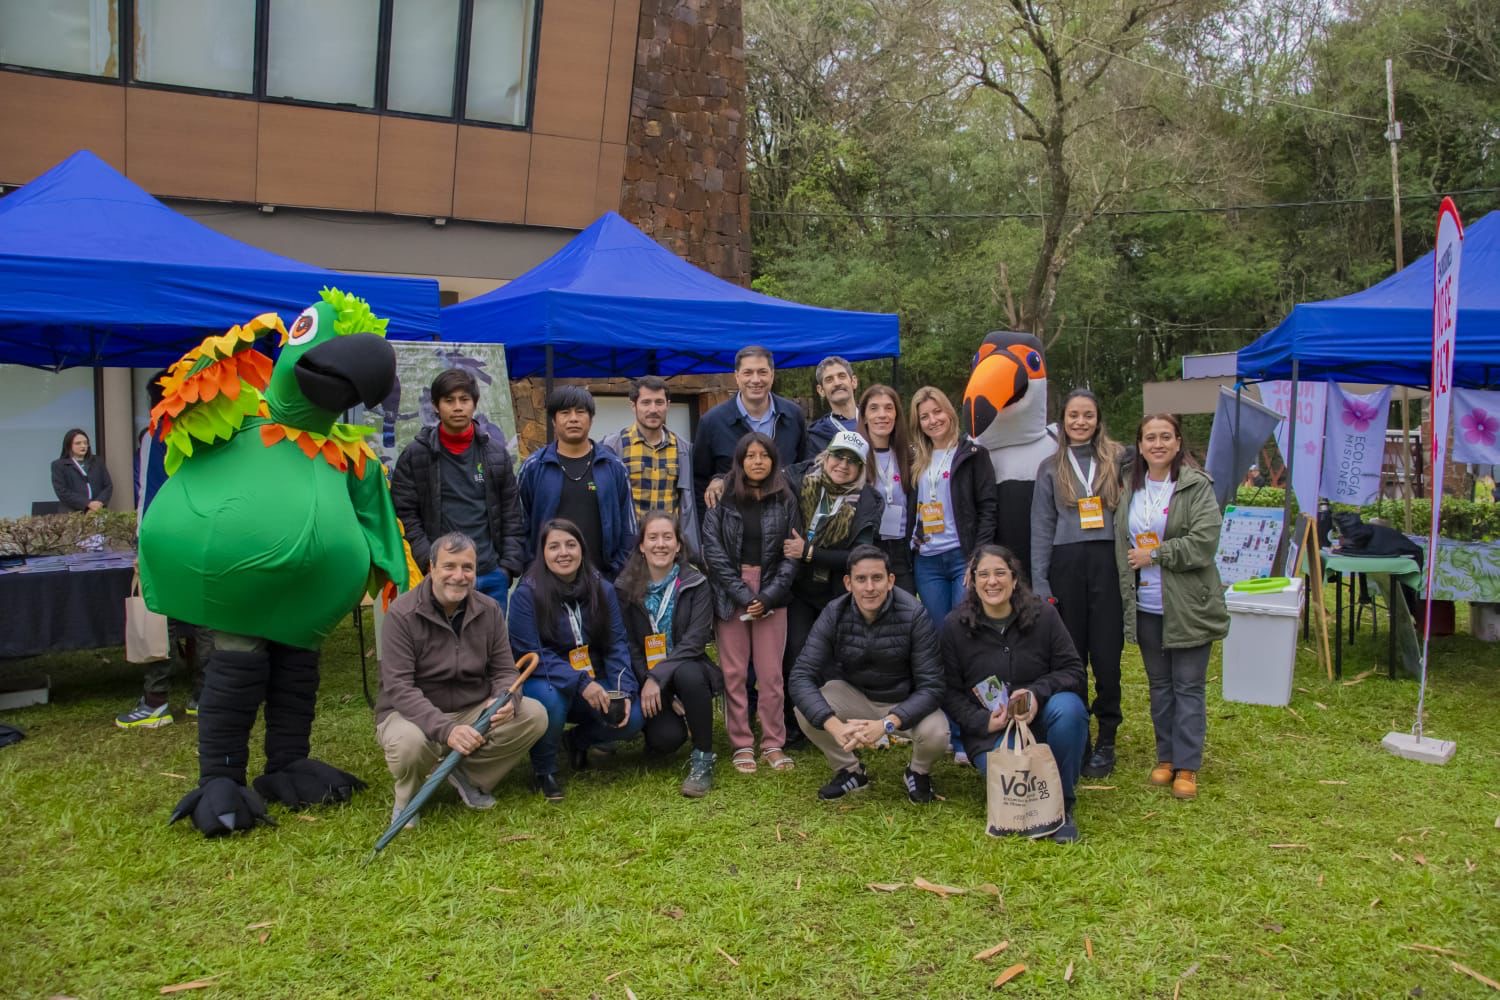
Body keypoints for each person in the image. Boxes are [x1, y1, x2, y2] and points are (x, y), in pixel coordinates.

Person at [375, 533, 548, 825]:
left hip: (470, 706)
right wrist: (446, 730)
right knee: (409, 744)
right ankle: (408, 800)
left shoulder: (489, 609)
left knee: (534, 715)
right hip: (411, 713)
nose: (459, 576)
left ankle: (465, 775)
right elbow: (399, 688)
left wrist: (507, 696)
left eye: (467, 567)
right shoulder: (402, 614)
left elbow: (505, 670)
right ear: (431, 567)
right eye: (449, 566)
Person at [940, 544, 1090, 843]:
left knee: (1070, 709)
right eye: (983, 574)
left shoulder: (1044, 615)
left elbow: (1073, 670)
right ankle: (1035, 802)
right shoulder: (954, 627)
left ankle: (1063, 808)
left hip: (1043, 718)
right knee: (1015, 779)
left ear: (1014, 578)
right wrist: (983, 721)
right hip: (992, 733)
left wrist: (1036, 693)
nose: (992, 582)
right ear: (971, 580)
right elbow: (947, 691)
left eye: (999, 573)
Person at [1116, 413, 1229, 801]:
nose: (1158, 444)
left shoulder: (1197, 486)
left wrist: (1156, 554)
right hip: (1147, 605)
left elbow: (1203, 543)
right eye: (1150, 437)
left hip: (1189, 605)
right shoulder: (1129, 487)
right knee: (1160, 687)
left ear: (1179, 443)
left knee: (1189, 686)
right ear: (1140, 445)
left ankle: (1188, 765)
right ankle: (1166, 757)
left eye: (1166, 436)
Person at [789, 545, 948, 803]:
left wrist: (886, 725)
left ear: (890, 581)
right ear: (848, 583)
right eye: (861, 579)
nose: (869, 587)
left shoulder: (914, 614)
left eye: (877, 578)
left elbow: (933, 686)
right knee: (805, 709)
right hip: (855, 695)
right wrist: (835, 726)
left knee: (937, 732)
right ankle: (850, 771)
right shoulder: (834, 612)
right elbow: (800, 676)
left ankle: (918, 773)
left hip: (902, 700)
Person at [507, 519, 642, 801]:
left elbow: (616, 644)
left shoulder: (601, 589)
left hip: (592, 681)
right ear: (542, 552)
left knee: (633, 717)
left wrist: (624, 691)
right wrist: (580, 681)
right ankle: (545, 770)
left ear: (582, 549)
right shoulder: (526, 595)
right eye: (554, 546)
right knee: (551, 699)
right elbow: (530, 655)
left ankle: (576, 742)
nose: (563, 553)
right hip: (547, 682)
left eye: (571, 544)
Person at [1030, 388, 1127, 777]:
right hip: (1065, 566)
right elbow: (1041, 527)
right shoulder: (1050, 467)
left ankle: (1107, 737)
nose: (1080, 422)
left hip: (1107, 562)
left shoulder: (1119, 460)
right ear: (1062, 420)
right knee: (1072, 656)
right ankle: (1078, 736)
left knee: (1106, 656)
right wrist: (1040, 582)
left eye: (1088, 415)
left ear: (1098, 419)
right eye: (1073, 415)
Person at [700, 431, 801, 774]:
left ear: (773, 461)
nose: (757, 461)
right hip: (730, 592)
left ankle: (773, 742)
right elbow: (712, 553)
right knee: (734, 672)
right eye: (750, 455)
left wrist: (769, 596)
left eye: (764, 455)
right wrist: (744, 595)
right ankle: (741, 743)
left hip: (774, 589)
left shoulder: (786, 498)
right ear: (740, 461)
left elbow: (793, 553)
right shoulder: (722, 500)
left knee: (771, 675)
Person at [117, 375, 211, 730]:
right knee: (205, 618)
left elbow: (148, 494)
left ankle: (156, 700)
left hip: (163, 536)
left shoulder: (155, 435)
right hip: (201, 535)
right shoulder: (206, 432)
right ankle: (204, 697)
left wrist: (141, 544)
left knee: (161, 615)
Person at [391, 368, 526, 610]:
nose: (457, 407)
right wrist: (428, 564)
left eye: (464, 400)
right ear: (435, 405)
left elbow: (511, 513)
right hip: (441, 576)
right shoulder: (416, 455)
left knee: (488, 647)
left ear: (474, 404)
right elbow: (405, 516)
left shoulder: (495, 454)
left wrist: (506, 569)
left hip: (490, 574)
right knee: (441, 647)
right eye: (449, 400)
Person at [782, 430, 884, 740]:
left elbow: (858, 557)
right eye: (838, 456)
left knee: (836, 659)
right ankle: (795, 725)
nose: (843, 465)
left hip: (836, 590)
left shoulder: (868, 499)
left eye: (853, 461)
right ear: (826, 456)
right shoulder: (797, 479)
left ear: (861, 467)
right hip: (797, 587)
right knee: (796, 653)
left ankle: (839, 723)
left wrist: (810, 553)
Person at [615, 511, 721, 797]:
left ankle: (703, 759)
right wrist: (658, 688)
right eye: (652, 537)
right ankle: (659, 728)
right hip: (646, 675)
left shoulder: (695, 583)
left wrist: (658, 677)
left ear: (678, 545)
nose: (660, 544)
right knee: (666, 740)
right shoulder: (624, 588)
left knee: (689, 672)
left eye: (667, 537)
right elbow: (629, 646)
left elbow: (695, 641)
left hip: (686, 668)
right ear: (641, 545)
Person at [516, 387, 636, 578]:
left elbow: (628, 527)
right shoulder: (534, 467)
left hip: (603, 579)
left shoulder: (613, 466)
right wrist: (532, 569)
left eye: (580, 412)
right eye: (565, 413)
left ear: (591, 419)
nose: (573, 418)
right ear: (554, 420)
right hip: (546, 580)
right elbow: (520, 524)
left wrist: (618, 571)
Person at [909, 387, 996, 626]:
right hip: (927, 561)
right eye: (924, 417)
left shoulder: (973, 453)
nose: (932, 420)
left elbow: (988, 509)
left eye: (937, 412)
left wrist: (978, 557)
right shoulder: (915, 459)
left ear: (949, 412)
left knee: (965, 627)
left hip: (963, 556)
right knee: (938, 631)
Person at [599, 376, 701, 558]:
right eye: (646, 402)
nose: (653, 409)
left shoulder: (684, 449)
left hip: (669, 549)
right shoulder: (612, 447)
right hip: (629, 550)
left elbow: (688, 502)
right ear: (633, 405)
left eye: (659, 402)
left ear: (668, 405)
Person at [694, 346, 809, 507]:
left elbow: (804, 469)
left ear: (772, 374)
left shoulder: (793, 416)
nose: (755, 380)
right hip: (733, 523)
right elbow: (699, 482)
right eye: (748, 373)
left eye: (762, 372)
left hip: (786, 521)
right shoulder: (712, 422)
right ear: (737, 377)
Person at [858, 384, 917, 594]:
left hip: (902, 548)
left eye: (888, 408)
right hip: (868, 547)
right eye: (874, 408)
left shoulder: (910, 456)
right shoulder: (854, 457)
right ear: (864, 416)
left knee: (906, 609)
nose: (882, 415)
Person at [806, 356, 860, 454]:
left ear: (854, 382)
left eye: (842, 376)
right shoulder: (816, 436)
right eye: (829, 380)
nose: (837, 383)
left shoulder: (876, 420)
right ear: (821, 390)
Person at [51, 428, 112, 512]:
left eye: (85, 443)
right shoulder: (59, 465)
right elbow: (62, 491)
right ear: (69, 445)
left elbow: (108, 486)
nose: (83, 446)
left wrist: (98, 504)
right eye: (78, 443)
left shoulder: (97, 461)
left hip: (97, 512)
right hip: (72, 514)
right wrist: (88, 504)